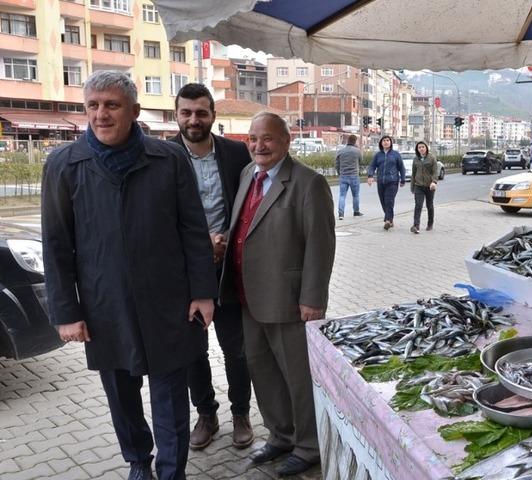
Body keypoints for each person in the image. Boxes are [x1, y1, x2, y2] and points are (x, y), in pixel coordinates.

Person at [41, 71, 216, 480]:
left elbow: (193, 229)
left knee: (170, 395)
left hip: (169, 302)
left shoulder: (168, 158)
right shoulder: (64, 165)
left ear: (135, 111)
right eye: (93, 105)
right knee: (121, 393)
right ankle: (139, 460)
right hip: (106, 305)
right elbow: (55, 244)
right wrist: (66, 312)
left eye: (112, 105)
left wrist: (203, 292)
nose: (101, 114)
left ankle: (172, 471)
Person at [223, 112, 336, 477]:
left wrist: (313, 298)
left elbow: (320, 245)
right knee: (262, 371)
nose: (259, 145)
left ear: (286, 141)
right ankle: (280, 435)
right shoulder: (247, 175)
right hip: (248, 295)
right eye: (253, 139)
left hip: (289, 300)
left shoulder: (308, 183)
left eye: (267, 138)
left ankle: (308, 445)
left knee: (297, 377)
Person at [170, 83, 254, 451]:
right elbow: (156, 215)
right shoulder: (162, 155)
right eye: (186, 112)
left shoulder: (237, 153)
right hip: (184, 274)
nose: (193, 119)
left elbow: (253, 203)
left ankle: (241, 413)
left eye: (201, 112)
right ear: (176, 115)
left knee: (236, 348)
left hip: (230, 272)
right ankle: (206, 414)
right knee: (193, 350)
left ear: (212, 116)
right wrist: (203, 242)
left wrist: (225, 241)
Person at [367, 135, 405, 230]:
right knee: (383, 202)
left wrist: (403, 179)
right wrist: (370, 176)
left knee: (389, 201)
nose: (386, 142)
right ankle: (390, 220)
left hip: (392, 181)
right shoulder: (378, 155)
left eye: (388, 140)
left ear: (391, 142)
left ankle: (387, 220)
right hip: (380, 181)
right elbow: (372, 166)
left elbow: (401, 168)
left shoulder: (396, 154)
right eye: (384, 140)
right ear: (381, 143)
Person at [410, 141, 438, 234]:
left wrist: (434, 182)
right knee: (418, 205)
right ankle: (416, 225)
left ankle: (430, 224)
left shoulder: (431, 158)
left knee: (429, 205)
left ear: (426, 147)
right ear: (417, 149)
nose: (421, 149)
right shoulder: (416, 159)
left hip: (429, 186)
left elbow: (435, 172)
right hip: (418, 186)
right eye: (419, 147)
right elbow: (413, 174)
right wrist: (412, 186)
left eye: (423, 147)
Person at [335, 134, 363, 220]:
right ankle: (356, 212)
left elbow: (337, 164)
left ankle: (341, 214)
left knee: (342, 195)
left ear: (348, 141)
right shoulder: (357, 151)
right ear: (355, 141)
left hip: (343, 176)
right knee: (355, 195)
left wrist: (340, 173)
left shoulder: (340, 151)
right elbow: (361, 161)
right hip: (354, 176)